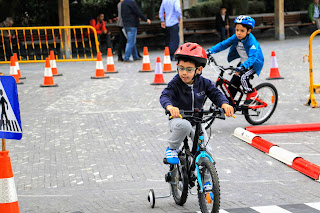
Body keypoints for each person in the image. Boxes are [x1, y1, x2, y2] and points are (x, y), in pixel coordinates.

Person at [160, 42, 234, 193]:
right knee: (185, 126)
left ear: (199, 70)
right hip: (178, 120)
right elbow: (165, 95)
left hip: (197, 122)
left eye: (189, 69)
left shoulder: (204, 83)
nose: (184, 73)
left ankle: (206, 182)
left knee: (207, 151)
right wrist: (170, 107)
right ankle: (172, 149)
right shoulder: (176, 82)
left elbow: (216, 94)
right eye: (181, 68)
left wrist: (225, 104)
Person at [207, 15, 264, 106]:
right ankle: (229, 102)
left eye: (242, 31)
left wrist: (243, 67)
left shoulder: (251, 42)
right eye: (237, 30)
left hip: (253, 63)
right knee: (234, 81)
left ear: (248, 31)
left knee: (243, 77)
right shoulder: (236, 37)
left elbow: (253, 57)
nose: (238, 33)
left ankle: (252, 93)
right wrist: (210, 51)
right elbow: (224, 44)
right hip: (243, 61)